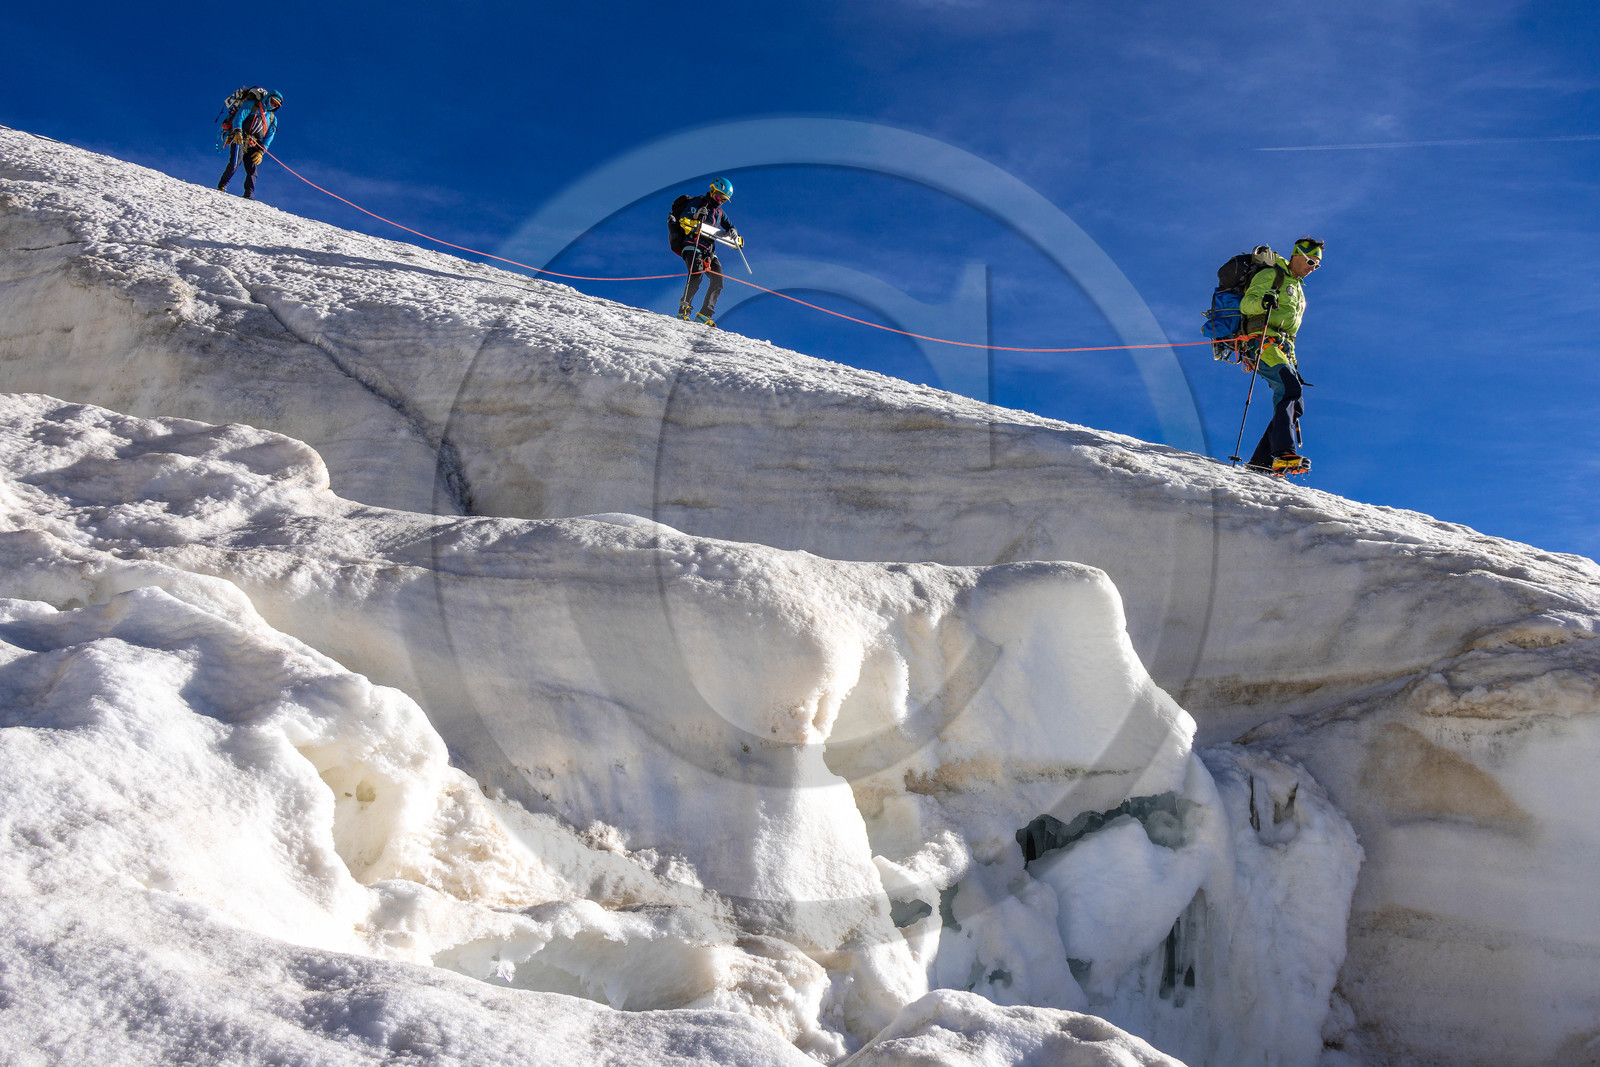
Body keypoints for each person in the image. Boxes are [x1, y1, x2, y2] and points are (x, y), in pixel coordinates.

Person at [1241, 236, 1323, 474]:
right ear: (1296, 255)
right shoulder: (1272, 275)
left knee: (1296, 402)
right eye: (1310, 261)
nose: (1312, 268)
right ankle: (1282, 454)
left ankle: (1262, 462)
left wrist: (1293, 361)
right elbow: (1246, 305)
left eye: (1317, 265)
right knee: (1289, 389)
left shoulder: (1298, 291)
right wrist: (1264, 302)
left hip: (1282, 349)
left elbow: (1290, 334)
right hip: (1261, 341)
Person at [671, 177, 739, 326]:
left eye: (724, 199)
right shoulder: (699, 202)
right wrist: (696, 216)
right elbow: (684, 218)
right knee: (696, 275)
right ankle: (684, 310)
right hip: (693, 244)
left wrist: (732, 230)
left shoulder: (719, 212)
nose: (721, 201)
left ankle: (704, 314)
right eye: (719, 196)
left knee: (718, 280)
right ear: (712, 190)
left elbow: (729, 225)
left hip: (709, 250)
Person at [218, 89, 283, 200]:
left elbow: (269, 137)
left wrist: (261, 152)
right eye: (272, 101)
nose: (273, 105)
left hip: (254, 143)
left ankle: (249, 194)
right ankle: (222, 185)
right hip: (240, 137)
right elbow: (239, 117)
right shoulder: (251, 105)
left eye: (276, 105)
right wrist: (237, 131)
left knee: (252, 169)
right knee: (235, 161)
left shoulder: (272, 119)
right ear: (268, 98)